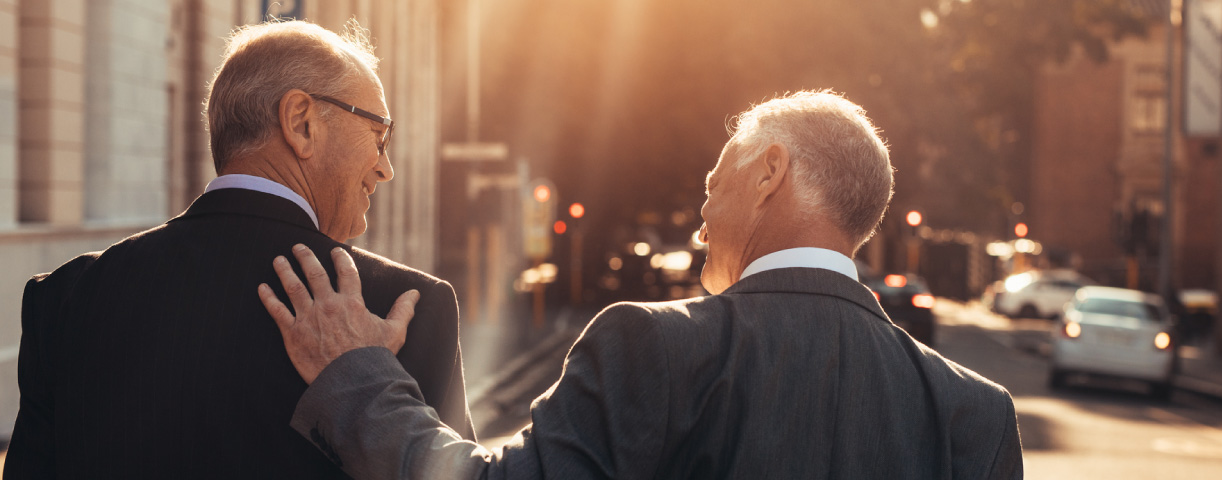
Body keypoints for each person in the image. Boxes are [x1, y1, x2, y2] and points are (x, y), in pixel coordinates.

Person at [262, 91, 1023, 479]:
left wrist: (356, 374)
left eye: (715, 176)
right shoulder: (974, 416)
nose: (701, 209)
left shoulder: (655, 346)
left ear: (770, 173)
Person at [6, 20, 473, 478]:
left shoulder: (66, 297)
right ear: (301, 122)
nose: (385, 167)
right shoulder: (405, 307)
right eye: (379, 135)